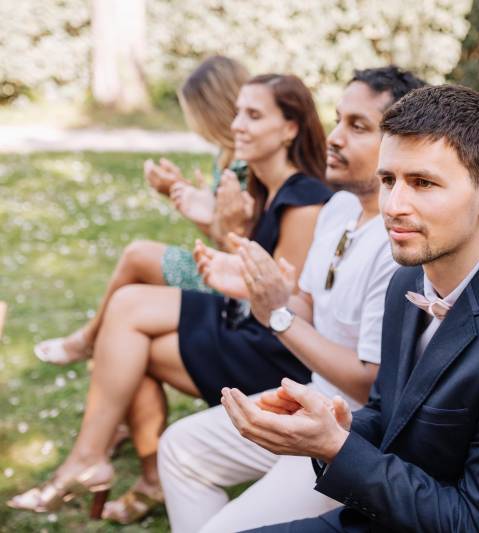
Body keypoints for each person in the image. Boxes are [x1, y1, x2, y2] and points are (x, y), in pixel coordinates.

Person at [220, 84, 479, 532]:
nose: (394, 206)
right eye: (387, 181)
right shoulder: (407, 281)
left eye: (423, 183)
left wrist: (335, 448)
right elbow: (391, 414)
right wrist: (333, 426)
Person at [7, 73, 330, 524]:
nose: (237, 124)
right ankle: (116, 465)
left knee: (126, 320)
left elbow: (282, 306)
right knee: (122, 343)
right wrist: (221, 224)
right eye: (237, 112)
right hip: (241, 323)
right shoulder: (262, 186)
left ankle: (91, 461)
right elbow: (246, 266)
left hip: (272, 353)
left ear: (290, 128)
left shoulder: (306, 201)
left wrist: (226, 232)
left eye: (253, 115)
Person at [157, 66, 426, 533]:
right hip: (308, 396)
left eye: (358, 127)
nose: (335, 137)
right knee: (179, 447)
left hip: (350, 428)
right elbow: (304, 305)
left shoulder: (399, 242)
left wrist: (277, 316)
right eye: (338, 119)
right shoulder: (338, 208)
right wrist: (255, 288)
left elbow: (368, 383)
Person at [34, 55, 252, 365]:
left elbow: (232, 242)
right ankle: (90, 340)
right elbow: (223, 232)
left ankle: (87, 340)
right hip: (225, 267)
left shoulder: (245, 165)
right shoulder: (229, 154)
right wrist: (182, 193)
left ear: (212, 111)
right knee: (134, 282)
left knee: (137, 256)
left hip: (235, 288)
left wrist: (195, 205)